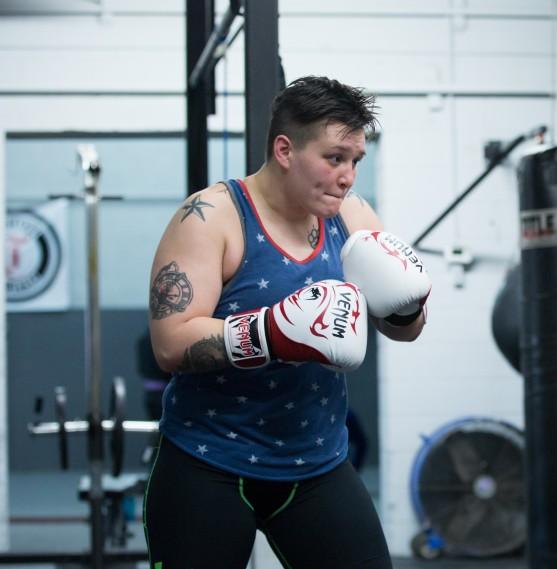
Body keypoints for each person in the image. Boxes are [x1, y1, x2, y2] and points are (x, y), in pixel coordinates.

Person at [144, 75, 430, 568]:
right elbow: (170, 344)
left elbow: (404, 329)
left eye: (355, 161)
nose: (347, 177)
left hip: (317, 463)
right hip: (208, 461)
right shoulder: (212, 217)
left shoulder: (352, 216)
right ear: (284, 150)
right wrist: (272, 333)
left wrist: (405, 305)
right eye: (335, 158)